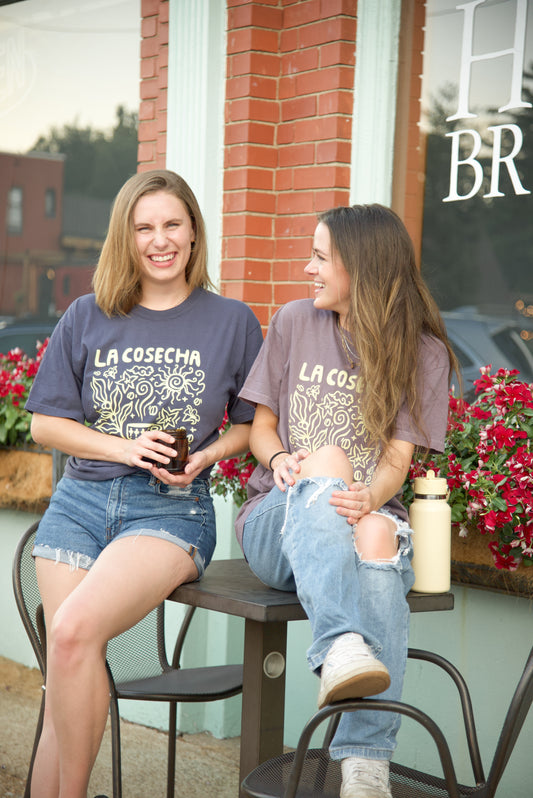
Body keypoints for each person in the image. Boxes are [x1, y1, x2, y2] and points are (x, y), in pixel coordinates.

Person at [25, 169, 263, 798]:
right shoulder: (87, 315)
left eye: (171, 225)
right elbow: (47, 423)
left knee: (73, 634)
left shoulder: (233, 321)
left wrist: (205, 456)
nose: (159, 240)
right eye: (144, 227)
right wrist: (124, 447)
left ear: (192, 232)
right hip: (78, 503)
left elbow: (249, 426)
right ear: (125, 238)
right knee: (65, 669)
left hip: (170, 510)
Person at [234, 204, 457, 798]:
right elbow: (262, 430)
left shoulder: (423, 351)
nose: (308, 268)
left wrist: (365, 501)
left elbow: (395, 464)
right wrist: (282, 460)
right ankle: (338, 644)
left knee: (381, 532)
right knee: (327, 458)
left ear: (361, 267)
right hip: (277, 523)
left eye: (320, 257)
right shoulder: (291, 322)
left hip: (361, 522)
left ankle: (364, 768)